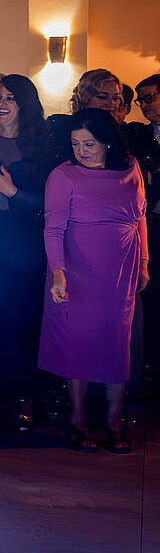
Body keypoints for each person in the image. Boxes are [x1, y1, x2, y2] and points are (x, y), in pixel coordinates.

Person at [40, 107, 148, 454]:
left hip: (121, 269)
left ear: (107, 142)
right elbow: (53, 228)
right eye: (75, 144)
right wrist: (58, 272)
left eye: (89, 143)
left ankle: (115, 421)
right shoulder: (64, 175)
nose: (81, 150)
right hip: (76, 270)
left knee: (118, 342)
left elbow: (141, 216)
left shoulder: (130, 168)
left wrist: (144, 261)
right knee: (79, 342)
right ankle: (78, 419)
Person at [0, 75, 55, 430]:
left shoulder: (41, 145)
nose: (1, 104)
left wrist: (13, 192)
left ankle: (23, 396)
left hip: (25, 243)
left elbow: (51, 203)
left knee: (23, 318)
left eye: (10, 99)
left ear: (25, 104)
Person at [127, 73, 160, 384]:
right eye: (141, 100)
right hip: (152, 223)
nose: (144, 105)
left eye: (149, 98)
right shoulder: (138, 137)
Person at [47, 68, 124, 161]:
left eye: (116, 98)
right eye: (102, 97)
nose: (111, 103)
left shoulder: (124, 133)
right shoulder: (61, 127)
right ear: (84, 98)